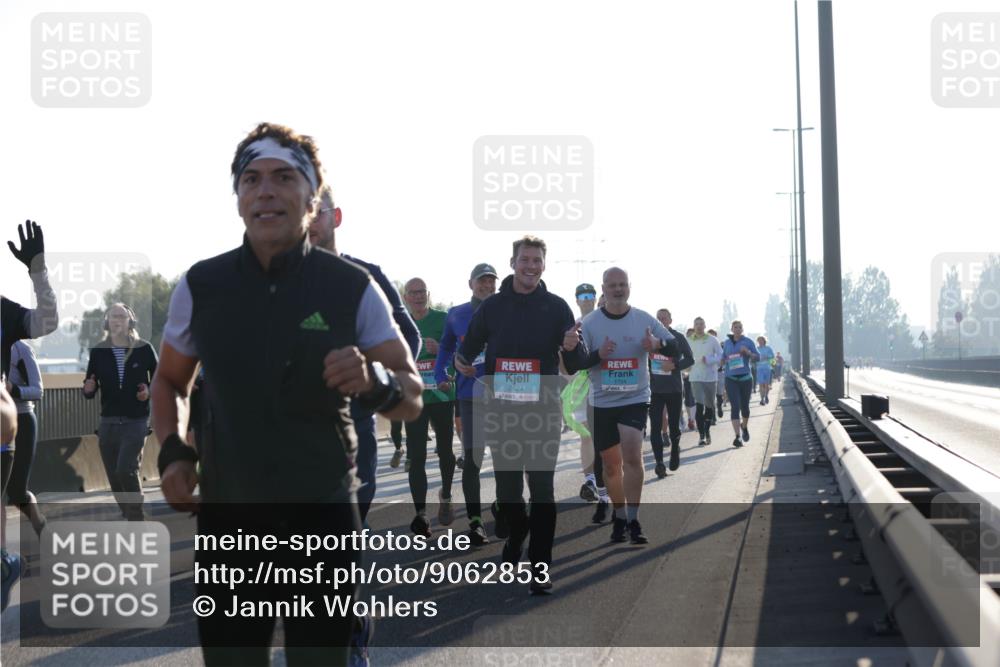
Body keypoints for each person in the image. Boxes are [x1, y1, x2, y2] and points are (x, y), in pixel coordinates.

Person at [152, 122, 423, 665]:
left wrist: (373, 381)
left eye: (282, 177)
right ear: (237, 199)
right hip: (230, 517)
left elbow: (411, 395)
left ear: (311, 197)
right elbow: (170, 381)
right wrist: (174, 451)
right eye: (250, 180)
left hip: (321, 513)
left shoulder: (350, 286)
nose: (265, 191)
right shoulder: (202, 285)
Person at [456, 235, 586, 594]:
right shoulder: (493, 307)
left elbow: (575, 362)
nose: (531, 266)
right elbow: (467, 350)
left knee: (542, 490)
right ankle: (517, 534)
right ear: (513, 263)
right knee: (510, 492)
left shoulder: (558, 307)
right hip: (502, 413)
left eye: (537, 260)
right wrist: (461, 362)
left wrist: (573, 348)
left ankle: (540, 568)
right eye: (524, 260)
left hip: (544, 410)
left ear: (544, 265)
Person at [307, 183, 420, 523]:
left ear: (336, 217)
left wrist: (372, 378)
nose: (307, 222)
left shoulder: (366, 278)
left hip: (353, 427)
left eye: (316, 212)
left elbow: (408, 340)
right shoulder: (270, 282)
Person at [580, 268, 677, 543]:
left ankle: (633, 520)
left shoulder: (643, 319)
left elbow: (676, 348)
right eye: (613, 285)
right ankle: (619, 515)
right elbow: (577, 362)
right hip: (602, 401)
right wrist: (598, 354)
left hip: (635, 398)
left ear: (629, 287)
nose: (618, 289)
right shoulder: (591, 323)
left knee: (633, 454)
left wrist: (656, 343)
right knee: (611, 466)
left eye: (623, 284)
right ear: (604, 289)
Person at [1, 219, 58, 613]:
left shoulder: (3, 311)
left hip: (9, 423)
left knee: (15, 494)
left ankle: (6, 562)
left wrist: (38, 271)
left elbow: (47, 322)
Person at [434, 262, 498, 546]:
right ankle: (475, 522)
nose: (486, 286)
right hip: (469, 395)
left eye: (490, 281)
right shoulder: (456, 314)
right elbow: (447, 346)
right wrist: (440, 372)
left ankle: (502, 505)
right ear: (470, 284)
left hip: (502, 395)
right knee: (473, 460)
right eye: (481, 281)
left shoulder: (506, 310)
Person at [82, 303, 158, 521]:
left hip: (136, 420)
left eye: (121, 317)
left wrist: (149, 391)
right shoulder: (98, 351)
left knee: (126, 469)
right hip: (108, 421)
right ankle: (128, 513)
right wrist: (88, 389)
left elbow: (159, 379)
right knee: (114, 475)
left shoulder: (144, 348)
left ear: (130, 321)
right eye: (113, 316)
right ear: (107, 322)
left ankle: (136, 517)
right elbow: (90, 383)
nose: (117, 320)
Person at [402, 278, 457, 536]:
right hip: (415, 398)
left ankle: (445, 495)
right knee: (416, 457)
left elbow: (461, 351)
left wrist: (441, 349)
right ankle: (421, 514)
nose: (418, 296)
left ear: (428, 294)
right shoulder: (400, 322)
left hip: (442, 397)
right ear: (406, 297)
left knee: (446, 453)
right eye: (413, 292)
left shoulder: (443, 319)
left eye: (422, 291)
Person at [564, 283, 607, 513]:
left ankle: (605, 480)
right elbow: (563, 360)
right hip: (582, 387)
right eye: (583, 296)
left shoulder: (606, 322)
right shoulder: (573, 326)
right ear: (577, 300)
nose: (588, 299)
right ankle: (591, 480)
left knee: (606, 436)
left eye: (591, 295)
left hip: (608, 386)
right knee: (587, 435)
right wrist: (569, 379)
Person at [5, 341, 46, 535]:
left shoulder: (20, 349)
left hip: (21, 421)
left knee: (16, 492)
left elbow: (37, 390)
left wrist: (12, 389)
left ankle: (40, 524)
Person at [647, 309, 691, 478]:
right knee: (656, 427)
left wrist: (674, 366)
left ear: (670, 320)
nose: (661, 320)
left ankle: (674, 450)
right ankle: (659, 463)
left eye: (664, 318)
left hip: (674, 389)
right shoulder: (650, 338)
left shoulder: (677, 338)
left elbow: (690, 358)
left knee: (673, 426)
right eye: (658, 318)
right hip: (655, 390)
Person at [722, 320, 759, 448]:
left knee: (745, 407)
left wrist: (748, 353)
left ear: (742, 329)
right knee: (735, 407)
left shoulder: (748, 342)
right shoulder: (726, 343)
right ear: (731, 329)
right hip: (731, 378)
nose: (737, 329)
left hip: (745, 379)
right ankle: (737, 436)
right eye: (735, 327)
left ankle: (744, 426)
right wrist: (723, 360)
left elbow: (757, 357)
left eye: (739, 327)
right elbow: (722, 359)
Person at [687, 318, 723, 446]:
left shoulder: (712, 339)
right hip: (695, 376)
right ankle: (701, 435)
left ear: (705, 325)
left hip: (710, 377)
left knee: (709, 406)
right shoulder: (689, 340)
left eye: (701, 324)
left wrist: (709, 359)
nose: (699, 326)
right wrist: (684, 368)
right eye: (696, 324)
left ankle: (707, 431)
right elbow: (683, 356)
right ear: (693, 326)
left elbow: (720, 356)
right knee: (699, 405)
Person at [756, 336, 775, 405]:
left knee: (766, 384)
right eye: (759, 341)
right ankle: (762, 399)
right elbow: (754, 358)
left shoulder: (768, 348)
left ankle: (766, 396)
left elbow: (773, 358)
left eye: (761, 340)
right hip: (759, 368)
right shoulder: (756, 349)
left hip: (767, 368)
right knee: (761, 384)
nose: (760, 342)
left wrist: (773, 365)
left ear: (764, 341)